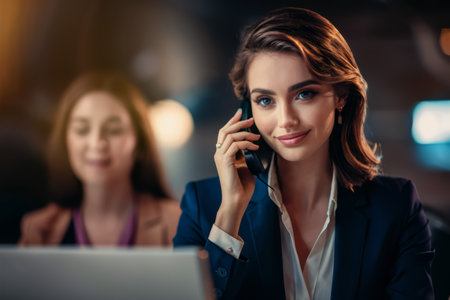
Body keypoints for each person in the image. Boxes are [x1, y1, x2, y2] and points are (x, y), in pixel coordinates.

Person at [173, 7, 434, 300]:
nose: (285, 120)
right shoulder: (204, 207)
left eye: (304, 94)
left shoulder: (396, 207)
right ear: (247, 112)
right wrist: (231, 212)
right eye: (265, 100)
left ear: (341, 98)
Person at [19, 72, 180, 246]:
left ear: (139, 143)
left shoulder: (178, 222)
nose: (97, 143)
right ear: (66, 142)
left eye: (113, 130)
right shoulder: (38, 229)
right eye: (82, 130)